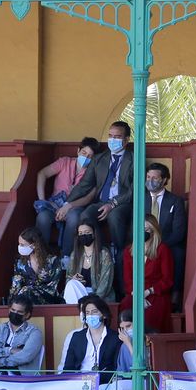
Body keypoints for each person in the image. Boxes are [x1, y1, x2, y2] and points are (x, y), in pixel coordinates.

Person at [70, 121, 137, 254]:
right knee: (86, 215)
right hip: (100, 202)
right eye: (110, 136)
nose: (112, 140)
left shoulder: (134, 159)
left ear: (126, 140)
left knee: (114, 216)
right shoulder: (99, 159)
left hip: (122, 204)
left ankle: (119, 252)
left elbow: (134, 190)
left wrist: (113, 204)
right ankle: (97, 252)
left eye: (117, 137)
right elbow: (85, 184)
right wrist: (67, 203)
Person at [35, 139, 99, 253]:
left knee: (74, 217)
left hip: (75, 206)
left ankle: (66, 256)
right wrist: (43, 200)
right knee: (43, 217)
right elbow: (42, 174)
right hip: (54, 204)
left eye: (90, 156)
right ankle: (41, 255)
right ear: (78, 151)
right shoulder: (65, 162)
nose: (86, 158)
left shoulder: (93, 172)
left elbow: (88, 197)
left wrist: (68, 206)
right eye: (84, 153)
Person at [123, 216, 175, 333]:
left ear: (153, 231)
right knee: (126, 308)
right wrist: (137, 296)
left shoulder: (162, 249)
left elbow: (167, 279)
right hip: (135, 292)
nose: (143, 232)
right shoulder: (128, 251)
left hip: (156, 292)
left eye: (147, 229)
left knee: (151, 315)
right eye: (140, 229)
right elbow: (127, 279)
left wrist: (148, 292)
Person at [145, 163, 188, 298]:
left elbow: (179, 232)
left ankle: (175, 296)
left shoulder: (175, 201)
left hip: (166, 243)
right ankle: (129, 294)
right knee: (123, 254)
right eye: (148, 177)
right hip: (144, 241)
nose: (150, 181)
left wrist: (159, 245)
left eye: (155, 178)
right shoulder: (140, 198)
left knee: (178, 253)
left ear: (164, 180)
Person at [0, 295, 45, 373]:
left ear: (27, 315)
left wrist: (2, 360)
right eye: (13, 310)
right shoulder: (0, 329)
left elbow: (25, 356)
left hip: (21, 377)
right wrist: (9, 350)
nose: (15, 313)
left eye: (19, 312)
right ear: (9, 310)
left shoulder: (34, 333)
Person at [62, 219, 117, 305]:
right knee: (71, 284)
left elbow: (105, 283)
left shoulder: (104, 254)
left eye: (87, 232)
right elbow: (68, 279)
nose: (83, 235)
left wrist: (93, 301)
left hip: (99, 297)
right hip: (80, 294)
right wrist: (73, 278)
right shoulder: (75, 254)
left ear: (94, 234)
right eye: (80, 233)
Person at [6, 227, 65, 305]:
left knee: (26, 290)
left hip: (48, 298)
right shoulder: (20, 262)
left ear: (33, 245)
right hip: (24, 299)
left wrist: (31, 290)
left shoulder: (53, 261)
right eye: (19, 244)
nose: (20, 247)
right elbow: (16, 284)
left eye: (22, 245)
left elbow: (53, 287)